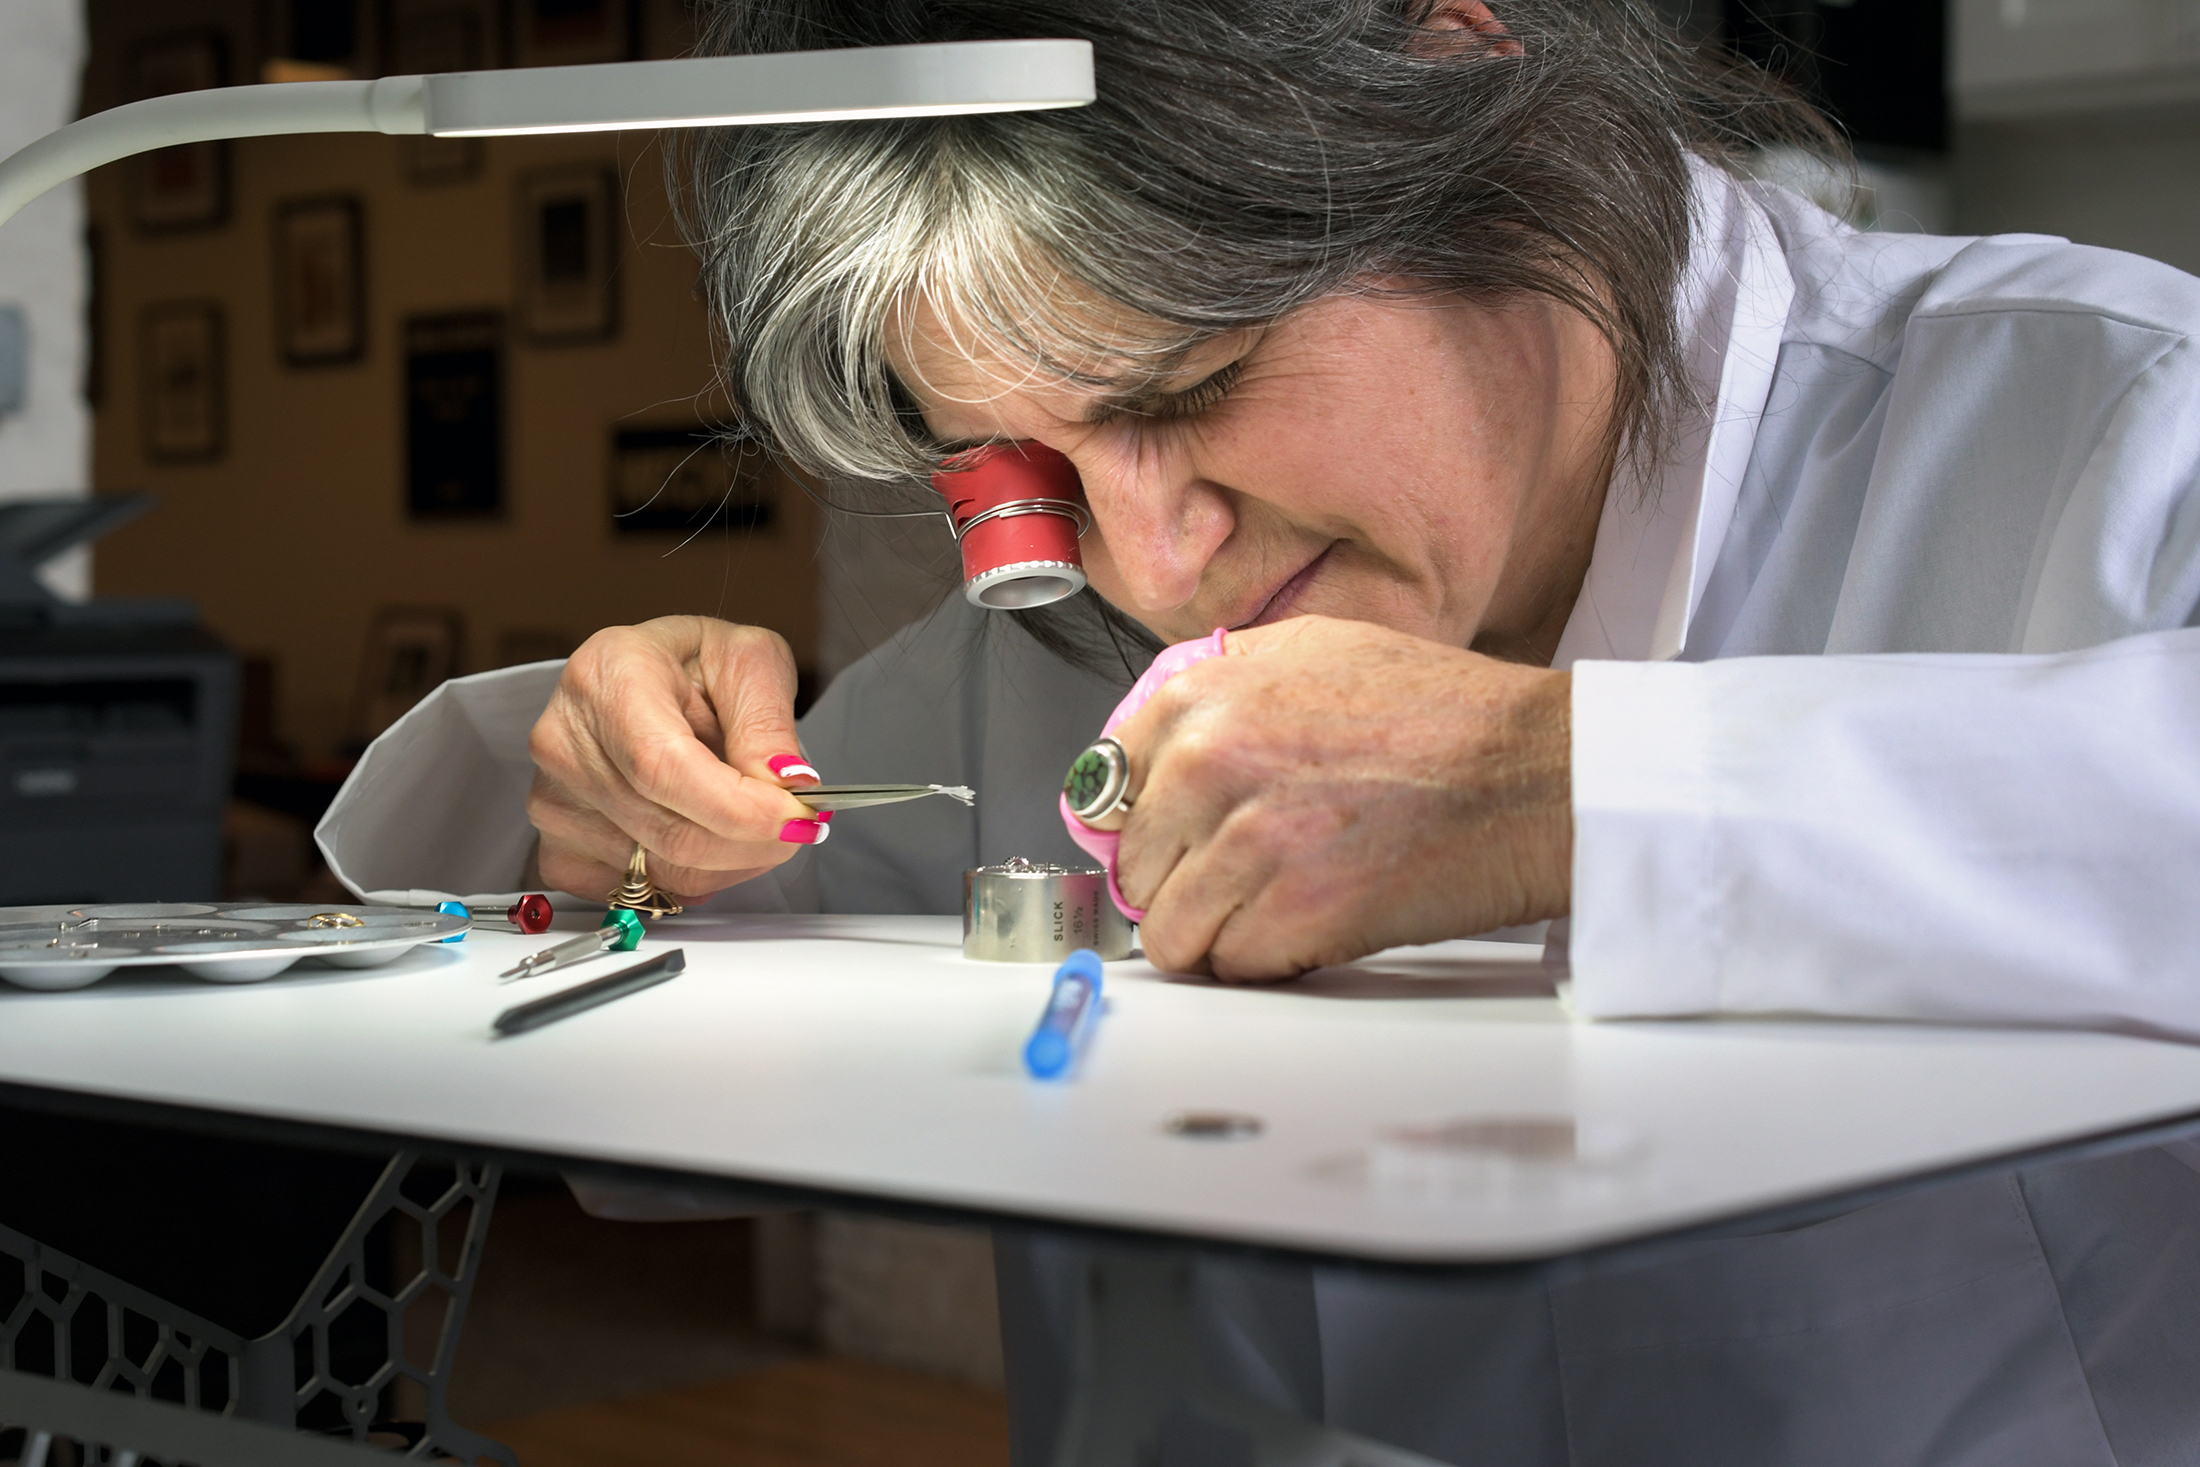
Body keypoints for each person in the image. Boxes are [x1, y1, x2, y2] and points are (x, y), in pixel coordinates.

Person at [320, 1, 2200, 1462]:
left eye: (1209, 378)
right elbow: (650, 1125)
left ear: (1489, 129)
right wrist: (617, 828)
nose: (1151, 563)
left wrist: (1566, 790)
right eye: (1027, 460)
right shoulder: (1050, 648)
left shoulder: (2107, 436)